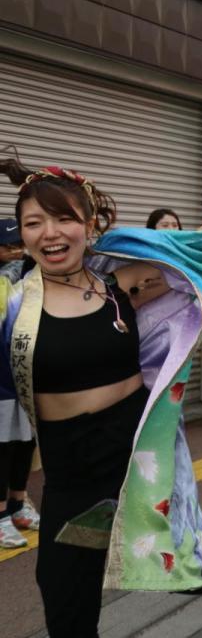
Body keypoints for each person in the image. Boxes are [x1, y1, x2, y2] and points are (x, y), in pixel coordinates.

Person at [0, 139, 202, 637]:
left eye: (64, 218)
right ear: (21, 235)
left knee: (179, 569)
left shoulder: (123, 283)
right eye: (33, 224)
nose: (50, 233)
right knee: (64, 595)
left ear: (90, 225)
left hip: (137, 452)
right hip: (68, 474)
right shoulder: (13, 307)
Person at [0, 218, 37, 549]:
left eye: (18, 245)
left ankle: (18, 504)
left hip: (25, 377)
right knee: (1, 448)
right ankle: (0, 518)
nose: (16, 252)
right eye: (8, 246)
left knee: (25, 443)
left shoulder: (31, 275)